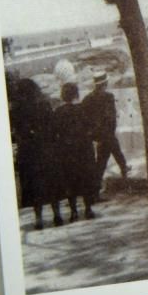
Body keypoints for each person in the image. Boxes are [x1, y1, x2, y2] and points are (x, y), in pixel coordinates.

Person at [10, 78, 64, 229]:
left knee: (35, 186)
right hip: (46, 149)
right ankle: (57, 214)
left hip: (28, 152)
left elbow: (16, 132)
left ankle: (39, 218)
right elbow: (53, 127)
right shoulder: (44, 104)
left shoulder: (17, 110)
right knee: (51, 183)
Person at [54, 82, 98, 220]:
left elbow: (56, 132)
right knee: (86, 179)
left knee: (70, 180)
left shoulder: (58, 112)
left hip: (67, 151)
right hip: (83, 149)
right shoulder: (83, 109)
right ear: (76, 94)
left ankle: (73, 212)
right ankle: (88, 209)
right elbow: (91, 128)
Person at [82, 71, 129, 193]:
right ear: (105, 83)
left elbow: (85, 119)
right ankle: (124, 173)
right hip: (107, 133)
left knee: (105, 157)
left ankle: (123, 168)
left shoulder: (87, 99)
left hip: (96, 135)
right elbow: (111, 117)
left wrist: (93, 135)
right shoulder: (108, 97)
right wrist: (109, 132)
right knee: (105, 158)